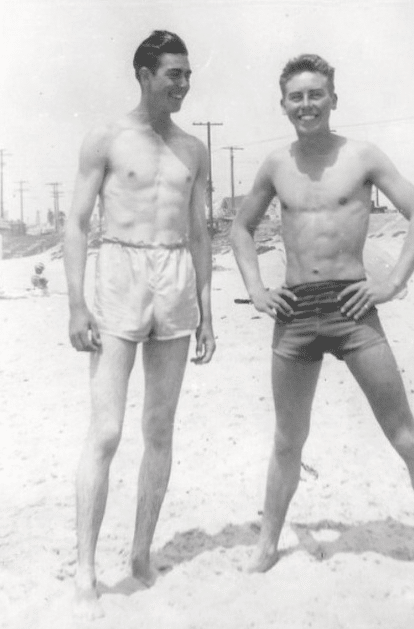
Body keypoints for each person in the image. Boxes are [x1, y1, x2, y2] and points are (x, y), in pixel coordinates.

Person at [231, 54, 414, 578]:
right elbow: (240, 228)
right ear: (283, 104)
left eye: (316, 94)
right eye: (296, 96)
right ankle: (267, 545)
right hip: (295, 312)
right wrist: (257, 291)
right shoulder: (275, 164)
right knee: (288, 439)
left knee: (403, 433)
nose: (306, 104)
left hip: (353, 307)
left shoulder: (362, 156)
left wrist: (393, 282)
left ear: (334, 98)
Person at [64, 30, 215, 620]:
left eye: (187, 76)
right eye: (173, 74)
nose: (182, 85)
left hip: (175, 278)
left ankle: (142, 553)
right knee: (105, 432)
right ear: (144, 74)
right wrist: (76, 304)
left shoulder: (193, 149)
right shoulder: (107, 136)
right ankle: (84, 568)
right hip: (119, 273)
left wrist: (205, 307)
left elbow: (201, 231)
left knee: (161, 428)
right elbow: (76, 223)